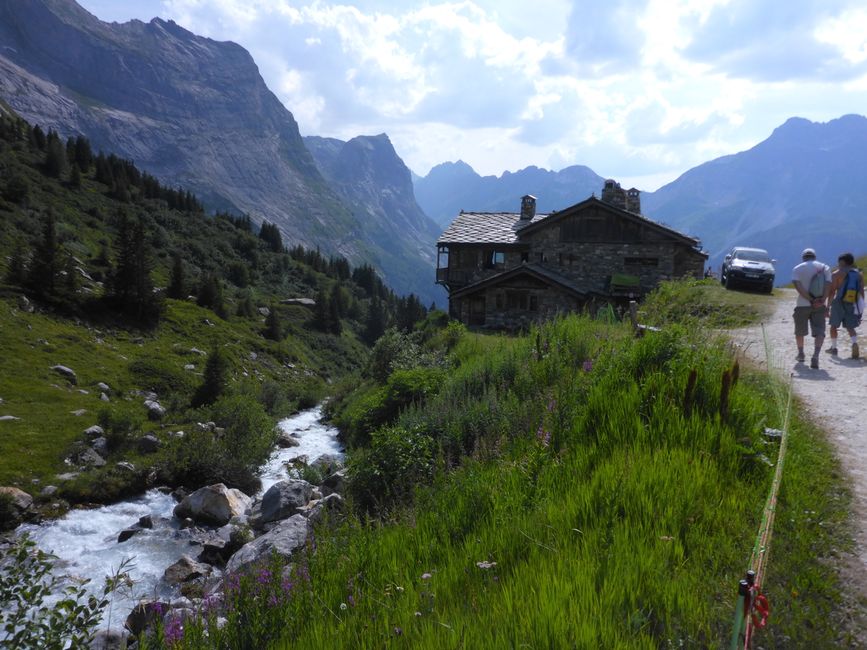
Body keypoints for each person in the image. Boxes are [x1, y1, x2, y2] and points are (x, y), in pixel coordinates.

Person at [791, 248, 832, 369]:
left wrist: (810, 299)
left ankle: (801, 353)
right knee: (819, 330)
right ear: (814, 256)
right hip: (819, 305)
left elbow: (798, 288)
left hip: (802, 304)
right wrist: (821, 301)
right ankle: (816, 356)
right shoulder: (825, 268)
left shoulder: (797, 269)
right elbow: (828, 286)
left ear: (803, 257)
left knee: (800, 330)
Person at [826, 252, 864, 358]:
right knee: (850, 327)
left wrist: (828, 306)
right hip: (851, 303)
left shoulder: (836, 274)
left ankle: (834, 348)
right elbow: (861, 293)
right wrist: (860, 309)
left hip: (838, 302)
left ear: (842, 262)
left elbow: (832, 292)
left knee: (833, 325)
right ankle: (854, 344)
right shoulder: (858, 275)